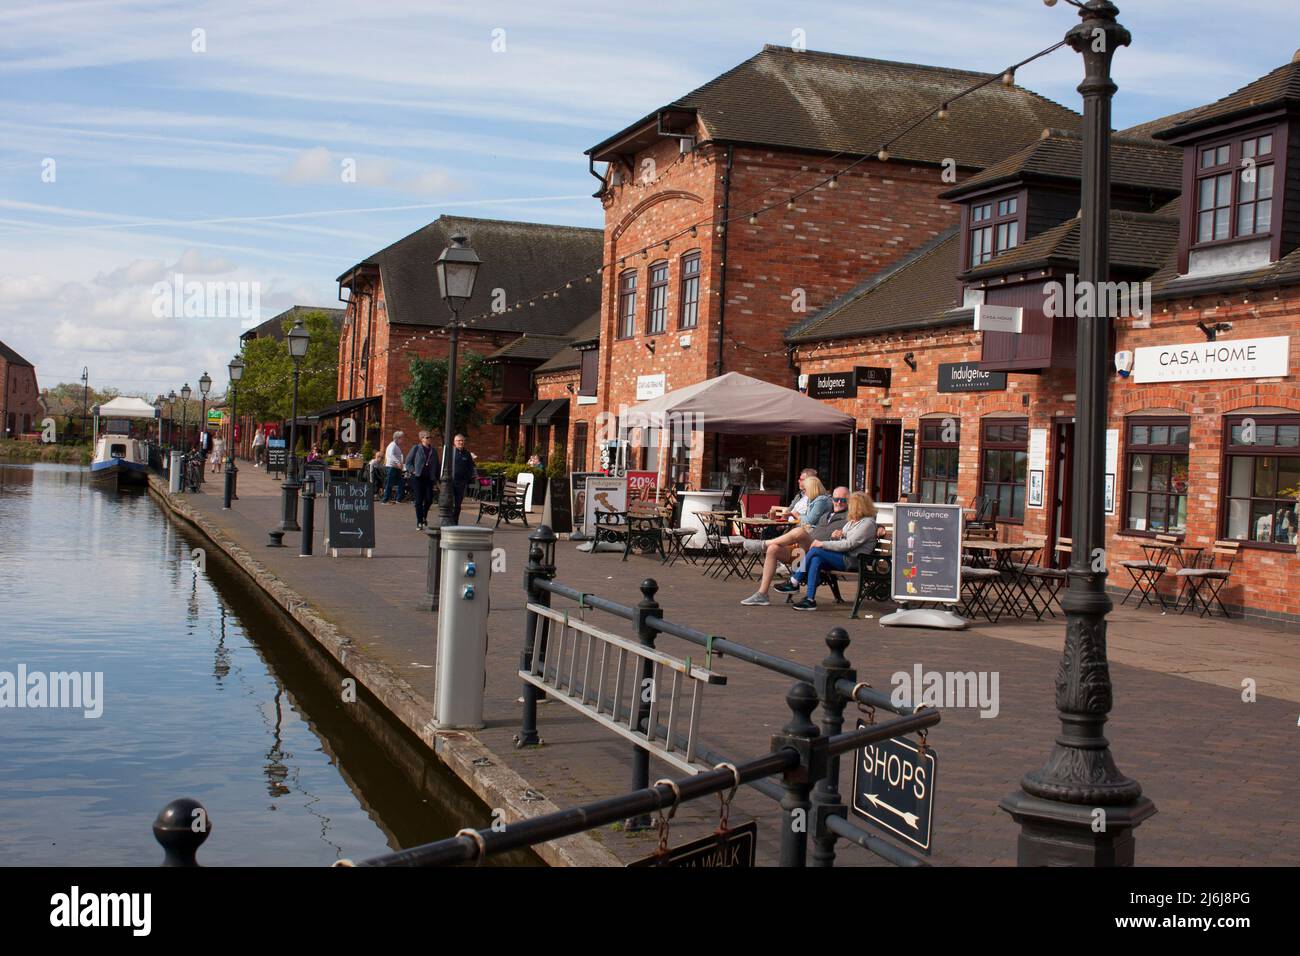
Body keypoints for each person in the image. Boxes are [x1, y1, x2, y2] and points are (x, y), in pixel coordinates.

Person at [740, 485, 848, 606]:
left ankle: (763, 544)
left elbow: (851, 538)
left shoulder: (849, 517)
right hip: (802, 553)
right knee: (773, 549)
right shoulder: (826, 515)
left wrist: (841, 534)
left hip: (821, 551)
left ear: (849, 501)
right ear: (832, 499)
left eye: (843, 500)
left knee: (799, 532)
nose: (838, 502)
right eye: (836, 499)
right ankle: (762, 594)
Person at [785, 492, 878, 611]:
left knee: (816, 550)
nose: (849, 507)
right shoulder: (852, 522)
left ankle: (794, 580)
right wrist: (836, 536)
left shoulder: (867, 523)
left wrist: (823, 543)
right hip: (843, 556)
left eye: (851, 504)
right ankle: (810, 599)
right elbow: (844, 539)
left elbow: (849, 544)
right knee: (816, 559)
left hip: (854, 560)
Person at [441, 433, 477, 524]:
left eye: (462, 441)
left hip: (461, 483)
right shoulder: (451, 453)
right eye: (458, 441)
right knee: (448, 503)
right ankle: (448, 520)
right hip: (450, 481)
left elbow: (471, 467)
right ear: (454, 442)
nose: (460, 442)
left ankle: (455, 521)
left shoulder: (467, 454)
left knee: (458, 504)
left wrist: (468, 478)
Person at [405, 431, 437, 530]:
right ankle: (419, 521)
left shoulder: (433, 450)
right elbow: (408, 462)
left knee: (429, 499)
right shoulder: (416, 448)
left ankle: (424, 515)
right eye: (427, 437)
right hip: (417, 478)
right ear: (422, 439)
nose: (429, 439)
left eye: (430, 437)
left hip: (429, 478)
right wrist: (413, 471)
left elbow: (437, 464)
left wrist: (437, 477)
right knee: (419, 500)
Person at [382, 431, 406, 503]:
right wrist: (398, 462)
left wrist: (401, 462)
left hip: (396, 467)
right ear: (398, 438)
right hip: (391, 467)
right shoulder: (392, 445)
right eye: (402, 438)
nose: (403, 440)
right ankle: (385, 500)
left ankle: (399, 499)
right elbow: (391, 455)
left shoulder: (396, 446)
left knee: (401, 482)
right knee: (389, 483)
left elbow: (399, 456)